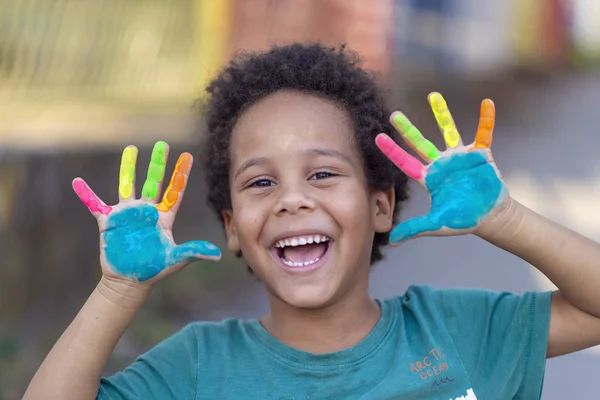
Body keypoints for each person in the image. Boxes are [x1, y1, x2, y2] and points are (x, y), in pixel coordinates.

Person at [24, 43, 600, 400]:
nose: (291, 200)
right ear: (231, 226)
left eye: (323, 174)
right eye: (260, 182)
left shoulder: (454, 329)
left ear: (380, 205)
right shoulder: (198, 366)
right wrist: (117, 290)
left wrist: (507, 218)